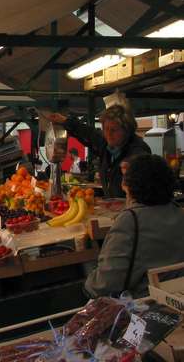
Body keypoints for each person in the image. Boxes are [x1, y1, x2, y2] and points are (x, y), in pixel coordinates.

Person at [85, 154, 184, 298]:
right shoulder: (179, 213)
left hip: (144, 306)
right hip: (177, 299)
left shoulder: (130, 221)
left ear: (129, 187)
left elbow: (105, 283)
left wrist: (87, 284)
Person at [49, 105, 150, 198]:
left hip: (132, 210)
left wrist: (132, 165)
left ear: (126, 130)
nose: (108, 134)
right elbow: (89, 133)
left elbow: (139, 162)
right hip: (113, 208)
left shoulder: (138, 150)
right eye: (106, 129)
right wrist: (65, 121)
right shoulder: (106, 144)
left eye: (114, 130)